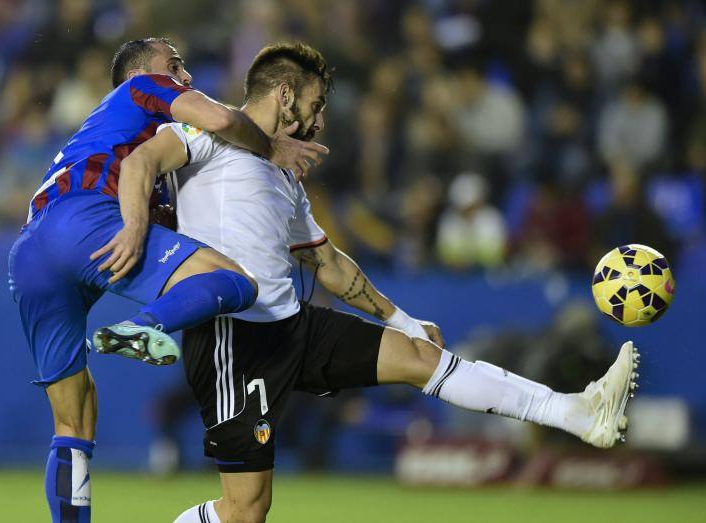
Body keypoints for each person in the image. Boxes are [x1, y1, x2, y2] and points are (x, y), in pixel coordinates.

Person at [126, 42, 639, 523]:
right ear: (284, 94)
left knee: (422, 358)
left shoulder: (285, 175)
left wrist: (405, 320)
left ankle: (578, 411)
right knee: (246, 511)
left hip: (292, 326)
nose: (321, 117)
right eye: (315, 101)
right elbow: (141, 160)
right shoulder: (205, 136)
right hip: (233, 338)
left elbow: (328, 263)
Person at [7, 37, 328, 523]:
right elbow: (222, 119)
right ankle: (147, 326)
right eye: (175, 65)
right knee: (236, 280)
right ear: (143, 74)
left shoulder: (122, 139)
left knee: (74, 419)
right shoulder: (142, 91)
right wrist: (272, 146)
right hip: (85, 223)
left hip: (29, 253)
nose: (186, 76)